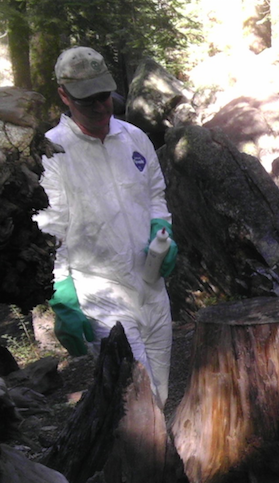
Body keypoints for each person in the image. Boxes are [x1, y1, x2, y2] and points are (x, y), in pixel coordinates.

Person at [35, 46, 177, 408]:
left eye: (104, 97)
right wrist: (62, 295)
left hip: (150, 281)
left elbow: (154, 193)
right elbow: (50, 230)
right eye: (88, 101)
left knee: (160, 391)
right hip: (100, 292)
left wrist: (162, 227)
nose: (100, 108)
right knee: (135, 395)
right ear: (64, 95)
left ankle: (161, 461)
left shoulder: (133, 137)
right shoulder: (54, 153)